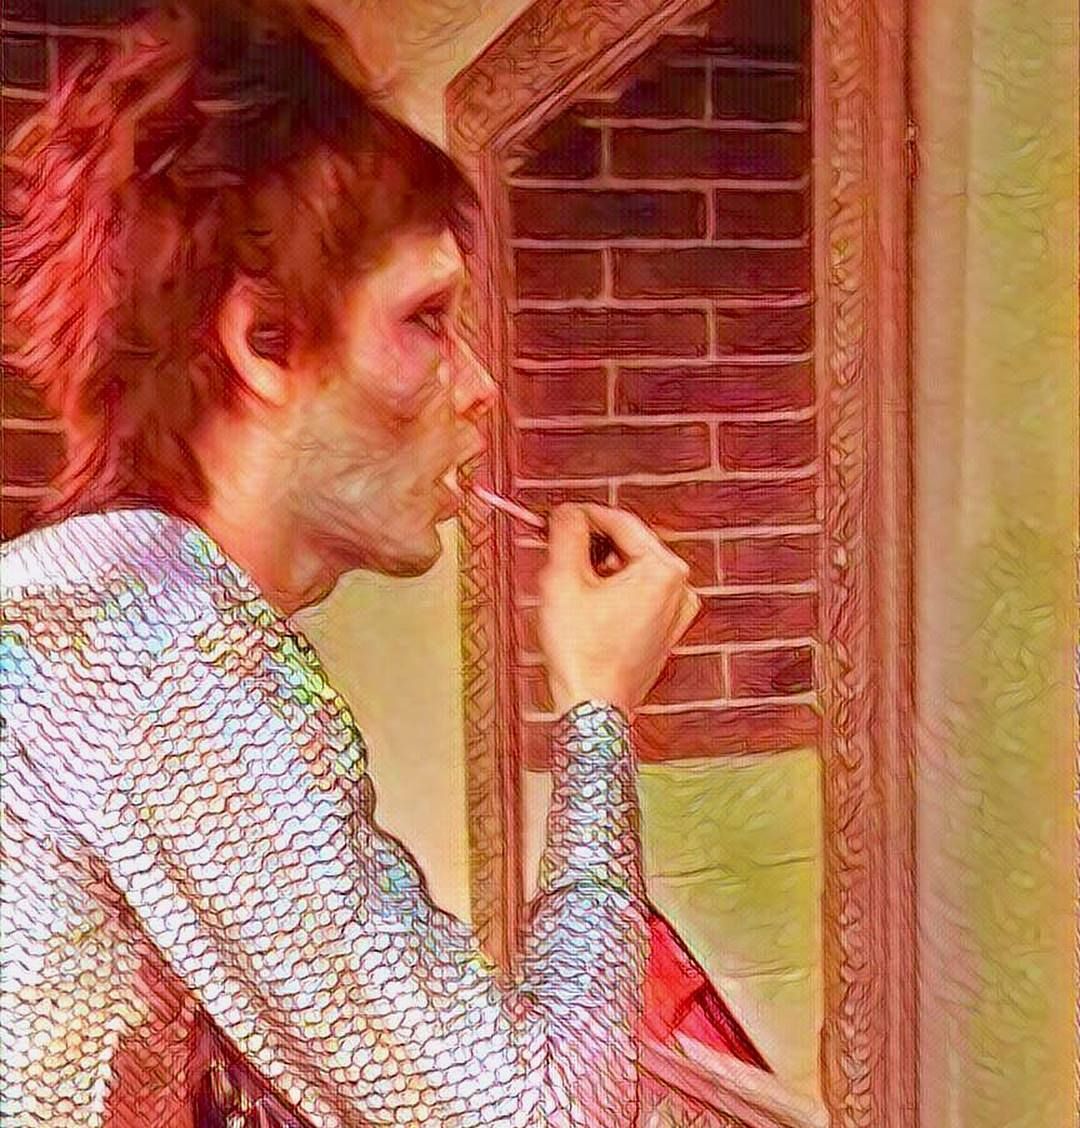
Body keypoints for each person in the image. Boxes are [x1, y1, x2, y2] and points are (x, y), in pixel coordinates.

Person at [0, 2, 702, 1125]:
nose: (478, 387)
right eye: (426, 319)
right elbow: (539, 1117)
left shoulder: (85, 603)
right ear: (265, 341)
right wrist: (597, 714)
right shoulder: (159, 658)